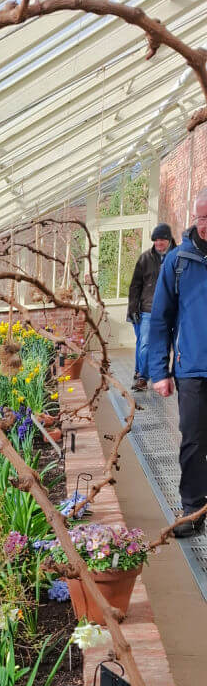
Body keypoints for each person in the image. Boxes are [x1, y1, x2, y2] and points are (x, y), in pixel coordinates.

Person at [147, 189, 207, 537]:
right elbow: (160, 319)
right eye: (201, 217)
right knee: (194, 441)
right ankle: (193, 510)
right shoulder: (179, 260)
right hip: (193, 368)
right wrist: (160, 371)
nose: (205, 224)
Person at [126, 222, 174, 390]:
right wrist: (133, 308)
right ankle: (142, 378)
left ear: (169, 239)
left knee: (164, 344)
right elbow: (135, 285)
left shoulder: (176, 256)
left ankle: (156, 373)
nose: (158, 243)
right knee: (145, 343)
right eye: (156, 240)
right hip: (147, 309)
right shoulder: (145, 258)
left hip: (170, 310)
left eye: (161, 240)